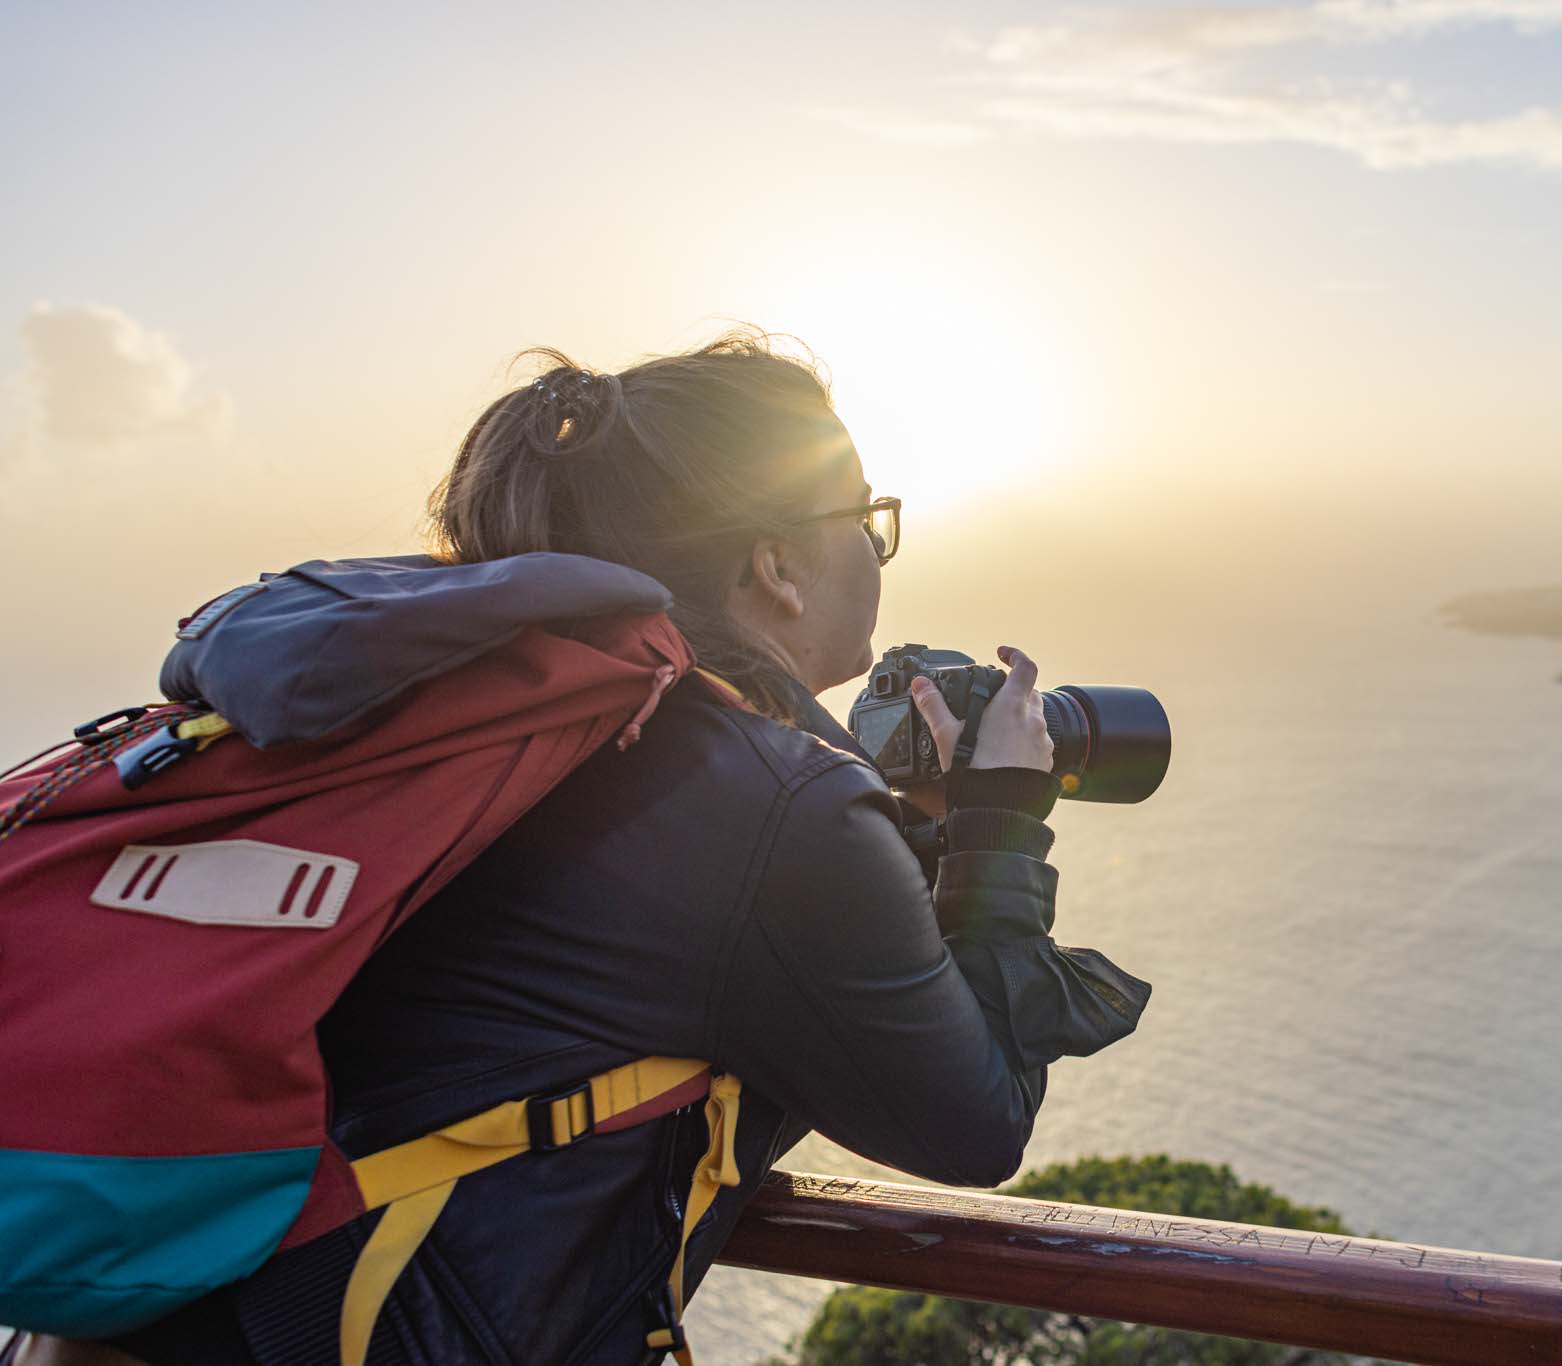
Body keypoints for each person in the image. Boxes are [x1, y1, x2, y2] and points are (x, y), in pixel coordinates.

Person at [67, 329, 1150, 1365]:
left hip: (115, 1315)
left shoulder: (470, 707)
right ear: (776, 564)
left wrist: (891, 822)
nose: (873, 546)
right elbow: (973, 1126)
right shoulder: (777, 806)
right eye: (863, 517)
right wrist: (1000, 814)